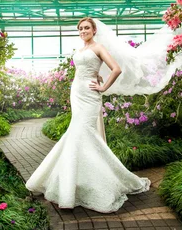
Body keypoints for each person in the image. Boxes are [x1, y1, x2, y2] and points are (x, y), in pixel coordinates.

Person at [25, 17, 151, 213]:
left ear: (94, 30)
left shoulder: (99, 47)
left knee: (84, 134)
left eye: (86, 28)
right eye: (80, 29)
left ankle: (97, 182)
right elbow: (84, 69)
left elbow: (116, 69)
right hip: (77, 92)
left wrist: (103, 86)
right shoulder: (80, 50)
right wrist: (96, 75)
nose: (83, 31)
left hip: (91, 95)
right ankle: (74, 182)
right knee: (76, 135)